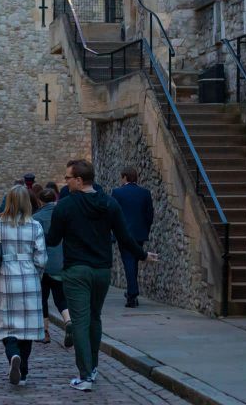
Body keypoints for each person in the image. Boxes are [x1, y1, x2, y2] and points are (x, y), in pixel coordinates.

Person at [46, 160, 158, 391]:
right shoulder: (109, 203)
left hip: (76, 270)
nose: (65, 181)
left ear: (79, 180)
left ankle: (85, 375)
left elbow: (53, 240)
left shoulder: (65, 206)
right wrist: (143, 254)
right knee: (94, 318)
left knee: (79, 321)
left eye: (68, 178)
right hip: (101, 271)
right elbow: (125, 237)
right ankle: (93, 368)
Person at [0, 185, 47, 387]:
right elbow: (42, 258)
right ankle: (24, 371)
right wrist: (36, 275)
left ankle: (13, 355)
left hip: (6, 279)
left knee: (7, 324)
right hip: (28, 278)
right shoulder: (35, 226)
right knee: (26, 328)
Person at [32, 185, 73, 347]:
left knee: (42, 298)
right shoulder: (64, 214)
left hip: (42, 265)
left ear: (40, 202)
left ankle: (45, 332)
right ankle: (68, 321)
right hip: (60, 263)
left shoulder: (36, 218)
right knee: (60, 297)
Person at [110, 167, 154, 308]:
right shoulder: (145, 193)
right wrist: (145, 229)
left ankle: (132, 294)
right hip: (139, 234)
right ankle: (131, 291)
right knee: (134, 261)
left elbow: (113, 215)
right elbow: (149, 215)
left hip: (124, 234)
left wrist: (114, 233)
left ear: (124, 177)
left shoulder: (117, 193)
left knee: (129, 262)